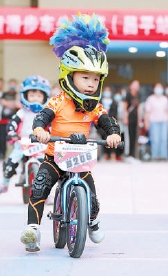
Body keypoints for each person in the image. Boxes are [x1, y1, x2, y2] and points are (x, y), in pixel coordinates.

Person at [19, 13, 122, 252]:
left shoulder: (94, 106)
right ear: (69, 76)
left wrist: (113, 133)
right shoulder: (58, 101)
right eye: (85, 77)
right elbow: (43, 116)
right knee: (41, 185)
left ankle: (92, 221)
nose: (90, 84)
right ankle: (32, 229)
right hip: (55, 156)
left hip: (80, 161)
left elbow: (106, 121)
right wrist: (39, 129)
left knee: (92, 195)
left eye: (95, 79)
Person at [0, 75, 50, 195]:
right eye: (32, 95)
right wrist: (11, 132)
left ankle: (47, 193)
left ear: (45, 97)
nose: (35, 99)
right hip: (22, 143)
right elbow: (12, 123)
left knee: (47, 168)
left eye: (39, 96)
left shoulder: (46, 113)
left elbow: (52, 126)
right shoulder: (22, 112)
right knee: (10, 164)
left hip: (40, 145)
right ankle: (4, 184)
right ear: (25, 96)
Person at [144, 82, 168, 161]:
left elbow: (167, 111)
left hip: (164, 121)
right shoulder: (150, 99)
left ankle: (164, 156)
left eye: (160, 87)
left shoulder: (165, 99)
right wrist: (146, 122)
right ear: (154, 89)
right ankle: (155, 156)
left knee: (164, 139)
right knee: (155, 139)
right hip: (154, 121)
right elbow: (147, 112)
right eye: (157, 87)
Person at [122, 79, 140, 161]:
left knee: (134, 136)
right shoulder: (128, 95)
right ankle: (127, 154)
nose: (136, 86)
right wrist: (125, 118)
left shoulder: (137, 95)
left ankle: (132, 155)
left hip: (135, 119)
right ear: (131, 85)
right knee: (128, 136)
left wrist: (139, 120)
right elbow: (125, 107)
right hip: (129, 119)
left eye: (138, 85)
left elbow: (138, 108)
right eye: (135, 84)